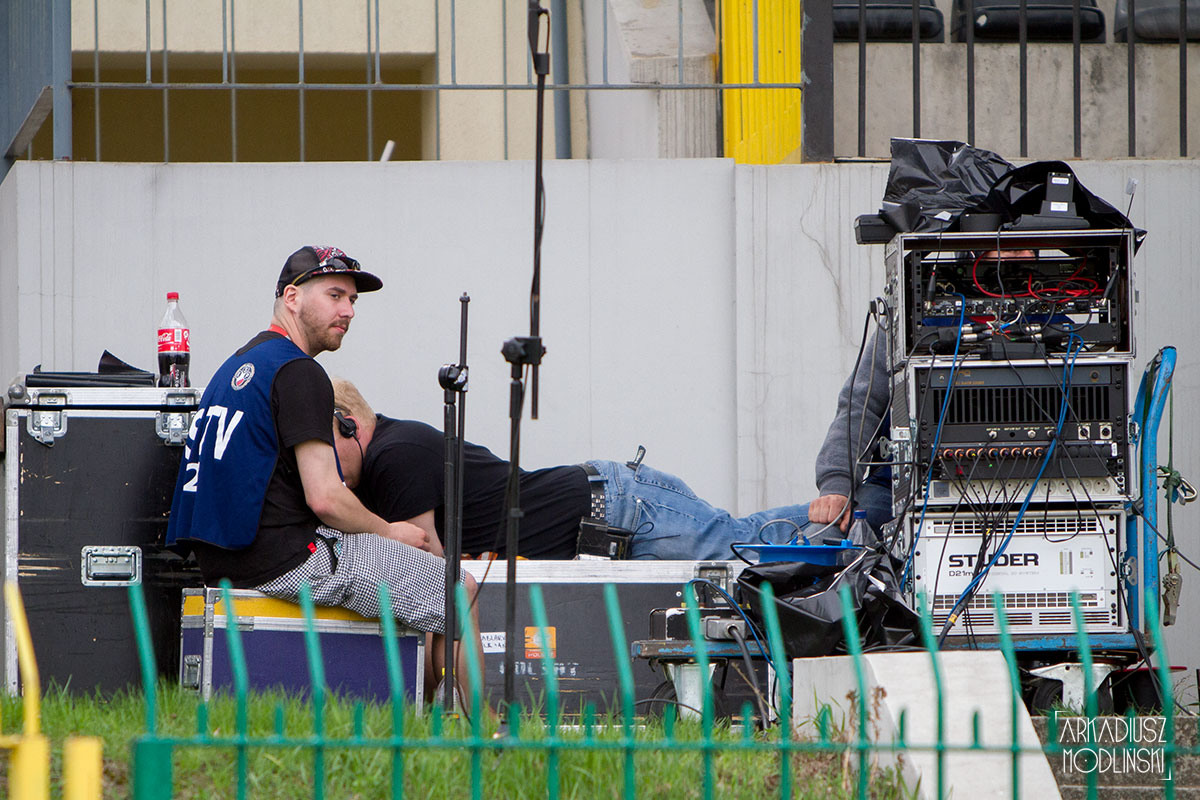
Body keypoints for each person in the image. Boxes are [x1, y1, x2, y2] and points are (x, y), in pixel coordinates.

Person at [166, 246, 480, 700]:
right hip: (287, 562)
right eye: (335, 295)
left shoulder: (234, 367)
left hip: (222, 564)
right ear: (292, 297)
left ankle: (423, 718)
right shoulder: (299, 371)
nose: (348, 311)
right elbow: (325, 497)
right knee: (460, 590)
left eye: (352, 300)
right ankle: (484, 729)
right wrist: (389, 531)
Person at [330, 379, 833, 561]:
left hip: (620, 510)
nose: (322, 467)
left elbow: (424, 565)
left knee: (741, 546)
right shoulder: (391, 452)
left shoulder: (395, 454)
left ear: (347, 423)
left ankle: (837, 523)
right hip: (606, 519)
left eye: (322, 447)